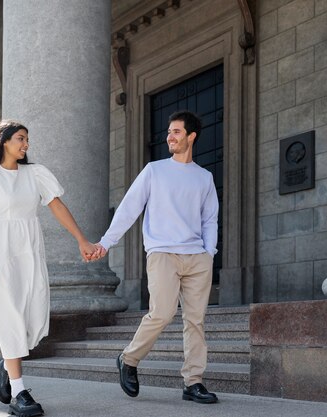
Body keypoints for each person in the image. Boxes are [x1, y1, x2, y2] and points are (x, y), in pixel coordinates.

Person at [0, 119, 96, 417]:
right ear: (5, 141)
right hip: (1, 252)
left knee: (31, 317)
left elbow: (58, 206)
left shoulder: (35, 174)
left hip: (30, 250)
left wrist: (81, 240)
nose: (26, 144)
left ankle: (5, 364)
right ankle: (19, 392)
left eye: (27, 140)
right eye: (21, 138)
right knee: (9, 313)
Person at [93, 110, 219, 404]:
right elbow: (129, 209)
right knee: (162, 312)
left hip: (197, 257)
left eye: (176, 132)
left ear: (191, 136)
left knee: (196, 321)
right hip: (162, 253)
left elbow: (210, 218)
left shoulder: (204, 177)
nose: (169, 137)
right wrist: (106, 242)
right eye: (169, 132)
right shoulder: (154, 170)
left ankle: (193, 382)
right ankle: (129, 359)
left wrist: (208, 252)